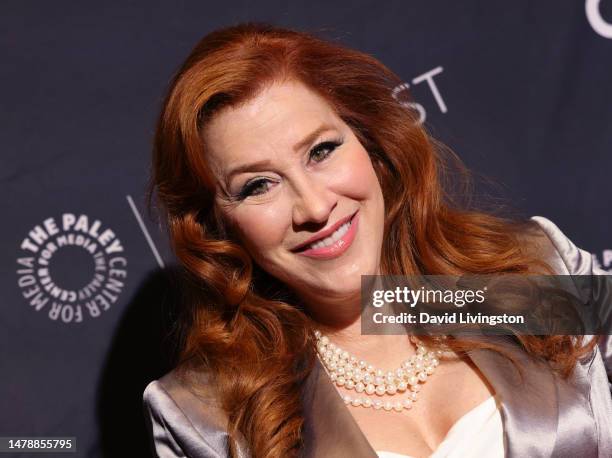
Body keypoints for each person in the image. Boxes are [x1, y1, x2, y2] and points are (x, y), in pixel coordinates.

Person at [142, 23, 612, 458]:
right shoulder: (207, 414)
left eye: (321, 151)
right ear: (215, 226)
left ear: (370, 141)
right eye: (258, 186)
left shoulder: (535, 269)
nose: (314, 208)